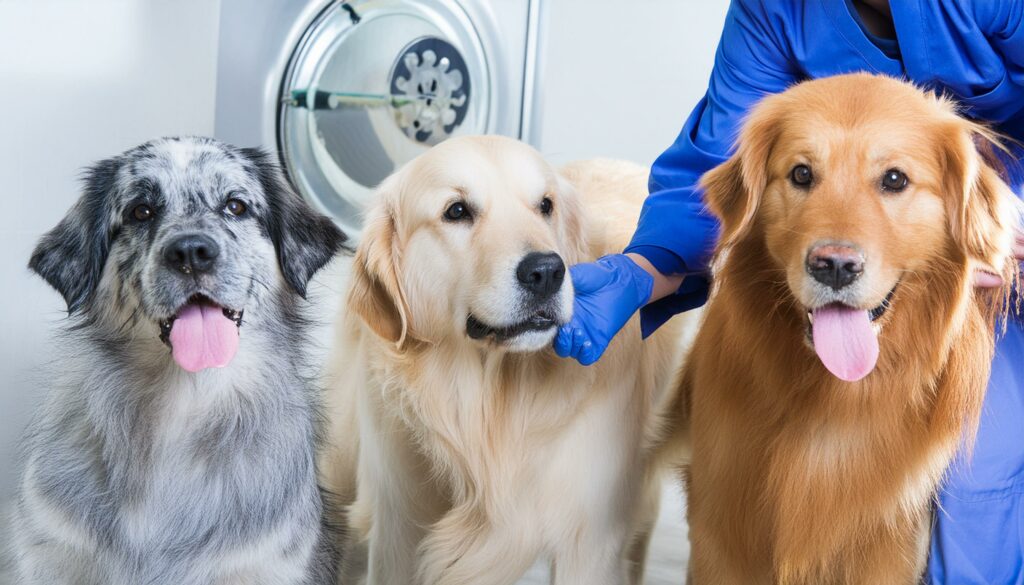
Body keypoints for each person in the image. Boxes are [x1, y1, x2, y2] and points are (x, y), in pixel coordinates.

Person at [553, 1, 1024, 582]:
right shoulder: (772, 9)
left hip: (995, 250)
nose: (838, 248)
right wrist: (644, 270)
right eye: (803, 174)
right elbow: (721, 156)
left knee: (981, 478)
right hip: (793, 294)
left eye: (893, 179)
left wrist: (989, 224)